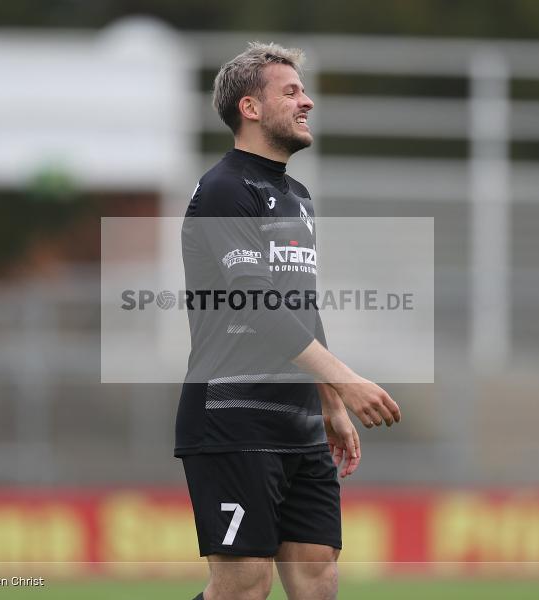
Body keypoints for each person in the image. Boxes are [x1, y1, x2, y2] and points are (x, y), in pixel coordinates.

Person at [176, 42, 401, 600]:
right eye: (292, 92)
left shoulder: (297, 196)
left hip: (298, 426)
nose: (308, 101)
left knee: (318, 581)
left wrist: (328, 403)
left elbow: (302, 306)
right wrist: (348, 380)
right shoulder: (225, 189)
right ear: (250, 108)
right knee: (243, 585)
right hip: (235, 417)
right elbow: (255, 305)